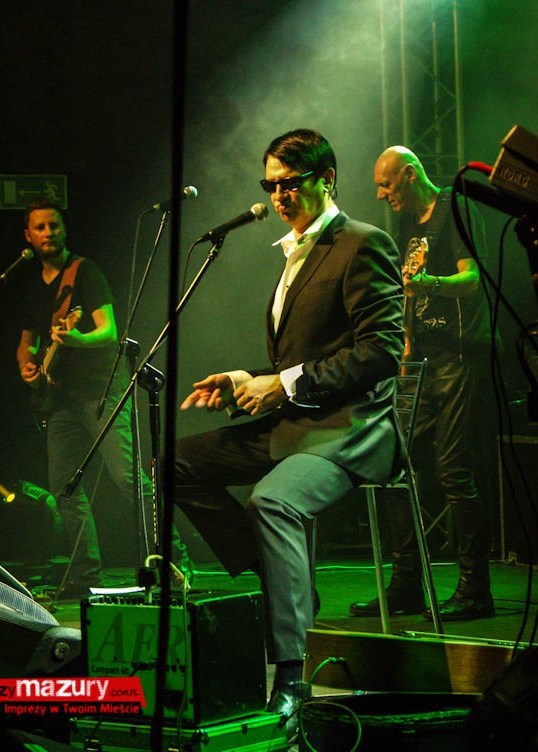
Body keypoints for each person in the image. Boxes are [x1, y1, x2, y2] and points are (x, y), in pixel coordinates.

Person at [173, 129, 404, 740]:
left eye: (290, 183)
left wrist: (284, 383)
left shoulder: (363, 243)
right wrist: (246, 379)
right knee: (173, 464)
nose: (278, 195)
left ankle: (293, 676)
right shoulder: (294, 253)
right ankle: (281, 581)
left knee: (271, 500)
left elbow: (382, 352)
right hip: (296, 423)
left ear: (327, 179)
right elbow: (302, 357)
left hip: (351, 428)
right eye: (269, 185)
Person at [17, 196, 191, 598]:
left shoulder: (85, 272)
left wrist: (77, 340)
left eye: (54, 225)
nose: (48, 233)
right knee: (64, 489)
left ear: (64, 229)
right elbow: (27, 343)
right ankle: (84, 575)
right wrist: (26, 365)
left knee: (128, 479)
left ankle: (176, 560)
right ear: (28, 235)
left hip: (101, 391)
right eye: (40, 227)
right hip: (59, 400)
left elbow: (109, 331)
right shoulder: (30, 286)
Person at [350, 145, 495, 622]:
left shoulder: (456, 209)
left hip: (458, 356)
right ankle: (407, 584)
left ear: (410, 175)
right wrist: (405, 345)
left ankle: (475, 588)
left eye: (386, 184)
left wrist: (431, 284)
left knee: (454, 469)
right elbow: (404, 288)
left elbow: (472, 280)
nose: (381, 194)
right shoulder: (407, 223)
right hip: (421, 358)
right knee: (394, 464)